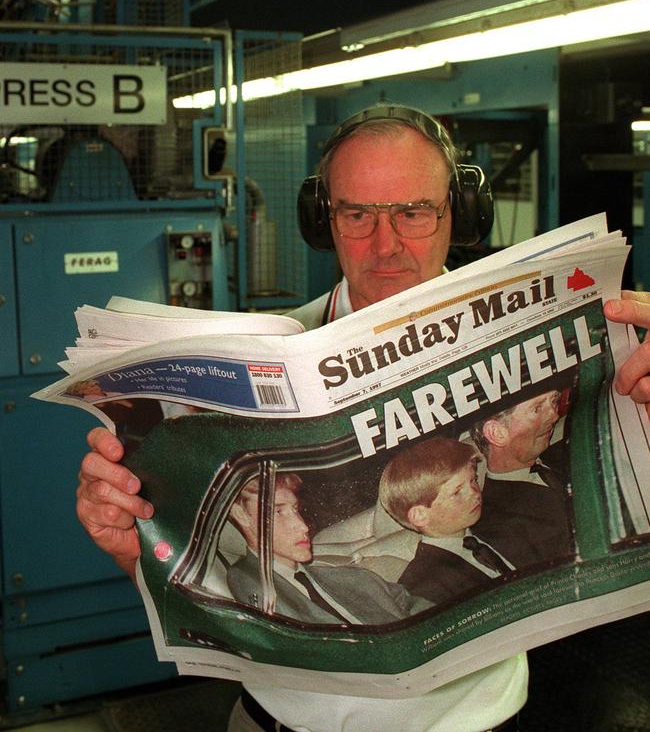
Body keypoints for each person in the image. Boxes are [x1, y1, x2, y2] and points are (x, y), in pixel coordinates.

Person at [76, 105, 650, 732]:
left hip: (480, 719)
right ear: (323, 220)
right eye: (357, 216)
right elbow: (206, 577)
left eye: (413, 212)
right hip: (280, 719)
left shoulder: (546, 336)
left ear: (457, 212)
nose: (386, 246)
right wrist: (137, 550)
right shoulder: (260, 363)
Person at [227, 472, 428, 624]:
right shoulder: (243, 581)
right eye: (278, 512)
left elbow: (415, 607)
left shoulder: (355, 578)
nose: (303, 526)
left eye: (295, 509)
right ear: (241, 514)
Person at [379, 437, 514, 605]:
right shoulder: (422, 587)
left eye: (473, 480)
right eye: (457, 492)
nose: (474, 493)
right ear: (420, 515)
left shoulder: (502, 523)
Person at [470, 385, 573, 570]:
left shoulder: (574, 446)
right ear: (497, 433)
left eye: (554, 401)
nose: (555, 415)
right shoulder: (492, 523)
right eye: (537, 409)